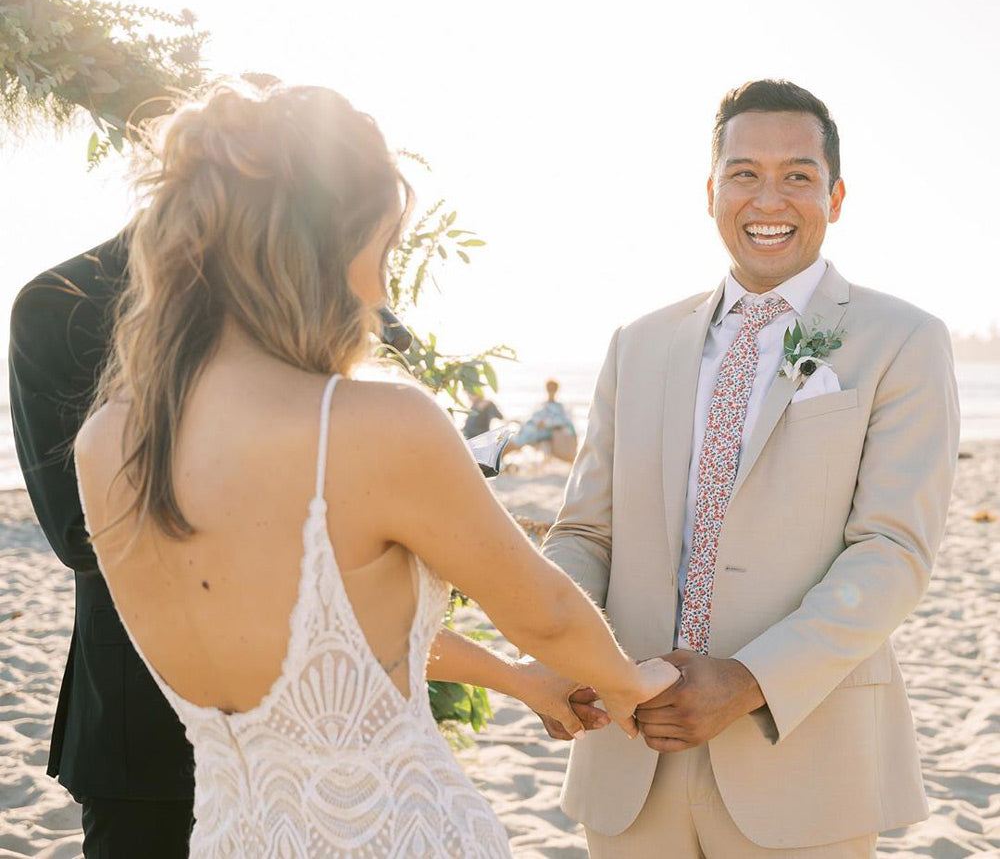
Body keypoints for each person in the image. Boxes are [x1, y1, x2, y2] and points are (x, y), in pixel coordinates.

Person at [72, 82, 678, 857]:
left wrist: (529, 682)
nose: (386, 287)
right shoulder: (371, 424)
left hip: (231, 838)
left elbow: (342, 649)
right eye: (382, 247)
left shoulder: (107, 442)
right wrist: (632, 684)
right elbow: (546, 612)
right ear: (324, 246)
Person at [539, 79, 959, 858]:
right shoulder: (638, 342)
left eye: (797, 175)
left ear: (834, 195)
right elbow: (584, 531)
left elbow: (893, 552)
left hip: (800, 757)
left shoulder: (902, 339)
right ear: (710, 192)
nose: (769, 197)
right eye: (744, 173)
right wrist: (560, 653)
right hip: (629, 757)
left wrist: (748, 680)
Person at [9, 230, 197, 857]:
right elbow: (82, 532)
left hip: (311, 730)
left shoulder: (305, 284)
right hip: (146, 725)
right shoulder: (63, 303)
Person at [503, 379, 577, 460]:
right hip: (532, 429)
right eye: (549, 389)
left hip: (545, 432)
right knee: (520, 434)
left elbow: (565, 421)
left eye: (552, 389)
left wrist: (547, 423)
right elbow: (532, 418)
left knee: (520, 439)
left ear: (556, 390)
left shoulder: (560, 407)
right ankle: (501, 457)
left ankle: (502, 456)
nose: (550, 391)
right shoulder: (542, 404)